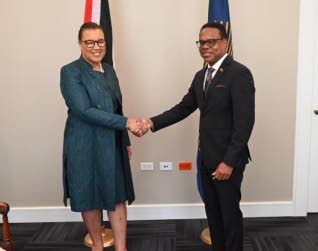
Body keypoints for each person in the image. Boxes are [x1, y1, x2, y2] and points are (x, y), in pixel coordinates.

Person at [138, 22, 255, 251]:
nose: (205, 46)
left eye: (211, 41)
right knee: (213, 213)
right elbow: (183, 108)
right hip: (205, 157)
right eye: (201, 42)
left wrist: (228, 162)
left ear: (224, 43)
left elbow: (244, 123)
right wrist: (151, 122)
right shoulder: (201, 75)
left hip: (226, 161)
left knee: (229, 215)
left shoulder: (239, 73)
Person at [60, 22, 141, 251]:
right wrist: (127, 124)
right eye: (90, 42)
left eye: (101, 41)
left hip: (112, 143)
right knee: (89, 194)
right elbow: (83, 110)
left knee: (117, 196)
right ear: (80, 44)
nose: (96, 47)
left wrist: (125, 141)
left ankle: (121, 248)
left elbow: (117, 108)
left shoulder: (110, 70)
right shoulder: (70, 71)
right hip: (84, 144)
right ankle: (97, 245)